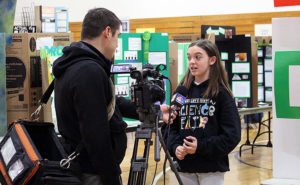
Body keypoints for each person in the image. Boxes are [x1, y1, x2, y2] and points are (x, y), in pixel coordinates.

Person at [53, 8, 172, 185]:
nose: (117, 45)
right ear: (107, 32)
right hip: (93, 172)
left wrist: (156, 111)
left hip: (87, 167)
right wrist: (111, 177)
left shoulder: (75, 65)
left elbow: (110, 102)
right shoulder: (89, 71)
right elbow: (96, 135)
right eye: (117, 37)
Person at [167, 39, 241, 185]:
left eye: (198, 57)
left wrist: (200, 146)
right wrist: (175, 148)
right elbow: (169, 127)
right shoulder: (181, 93)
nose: (192, 62)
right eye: (189, 57)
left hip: (211, 169)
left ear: (212, 60)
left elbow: (232, 135)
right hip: (183, 167)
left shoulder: (222, 94)